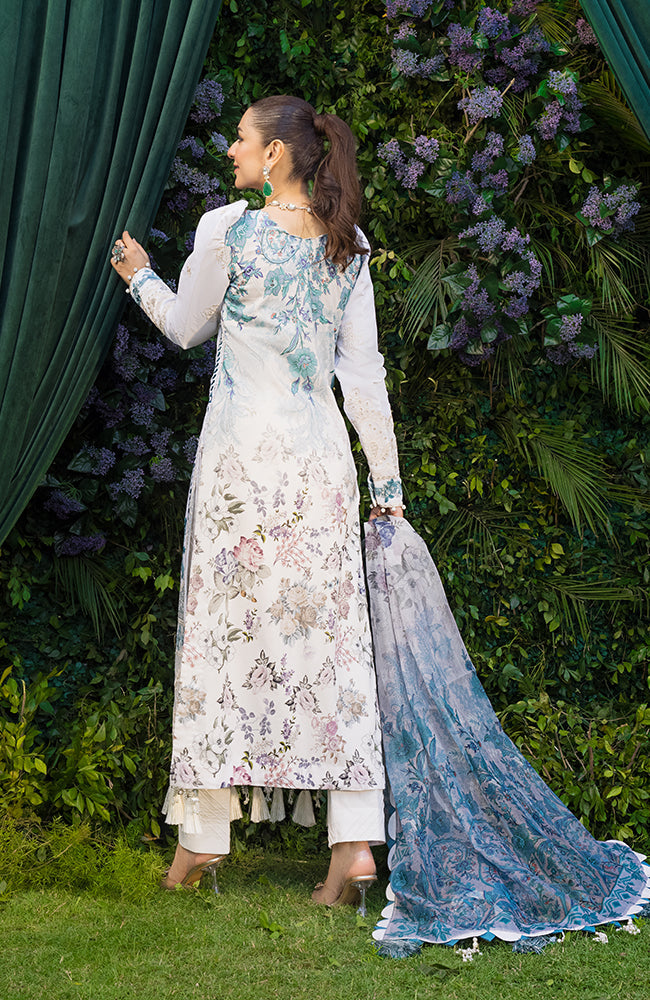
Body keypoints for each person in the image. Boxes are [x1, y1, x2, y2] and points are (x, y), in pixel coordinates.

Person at [110, 94, 403, 905]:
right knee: (332, 650)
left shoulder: (226, 231)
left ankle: (203, 841)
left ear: (275, 154)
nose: (231, 149)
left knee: (221, 643)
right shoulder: (350, 243)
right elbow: (364, 377)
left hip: (240, 471)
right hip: (320, 471)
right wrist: (387, 487)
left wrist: (138, 277)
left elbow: (185, 327)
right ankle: (354, 845)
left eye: (241, 138)